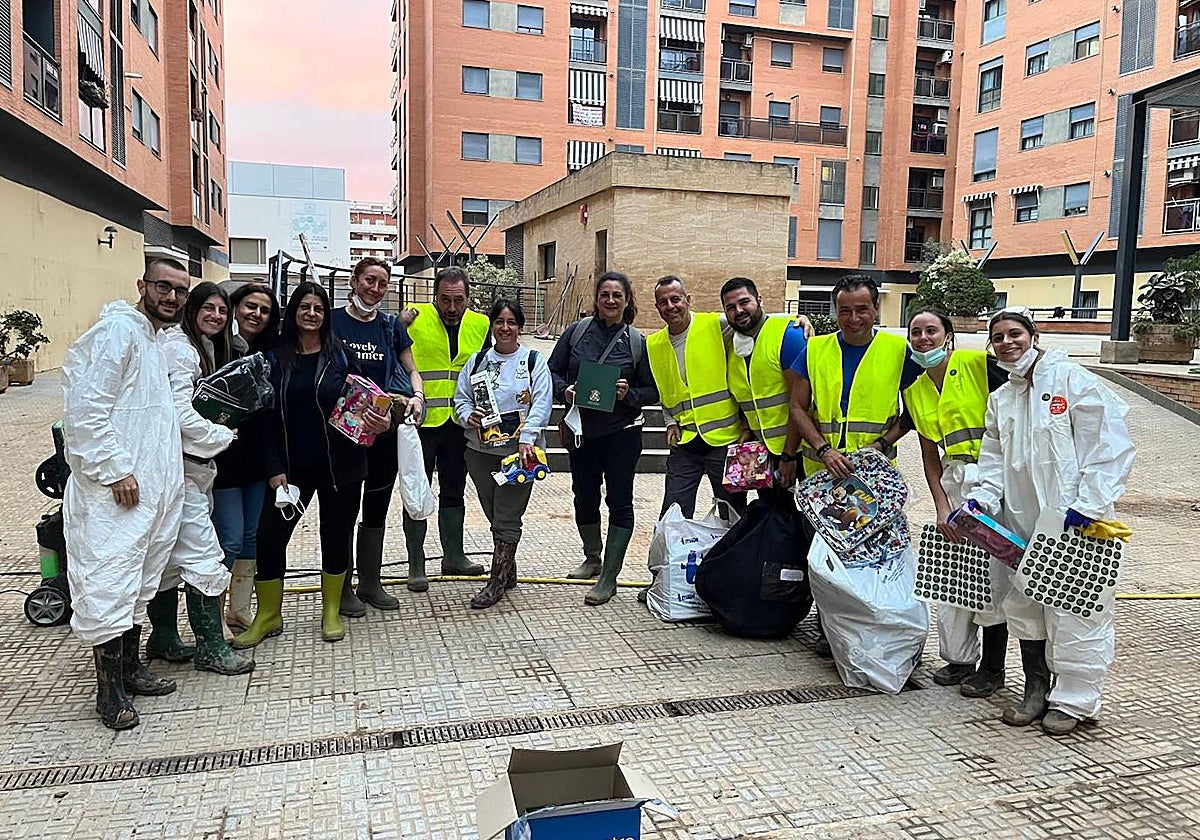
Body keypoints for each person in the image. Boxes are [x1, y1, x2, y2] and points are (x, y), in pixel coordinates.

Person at [968, 307, 1134, 735]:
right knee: (1026, 604)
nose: (1008, 342)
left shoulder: (1070, 380)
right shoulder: (1002, 398)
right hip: (1023, 521)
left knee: (1079, 609)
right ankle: (1036, 689)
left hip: (1074, 520)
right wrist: (984, 497)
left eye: (1015, 333)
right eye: (999, 336)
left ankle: (1076, 699)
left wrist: (1092, 502)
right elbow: (993, 457)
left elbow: (1109, 442)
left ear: (1033, 335)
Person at [61, 259, 189, 729]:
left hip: (148, 493)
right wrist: (115, 470)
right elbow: (85, 409)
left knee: (138, 581)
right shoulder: (117, 332)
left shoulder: (154, 339)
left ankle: (132, 669)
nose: (172, 297)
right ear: (142, 286)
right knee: (110, 582)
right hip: (115, 494)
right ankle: (108, 691)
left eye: (180, 290)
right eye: (163, 287)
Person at [232, 282, 390, 648]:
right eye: (305, 307)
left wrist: (379, 421)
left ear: (325, 315)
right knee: (270, 539)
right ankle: (269, 614)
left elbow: (367, 401)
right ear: (293, 311)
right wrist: (274, 469)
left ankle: (331, 609)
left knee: (336, 538)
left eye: (319, 308)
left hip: (342, 466)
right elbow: (265, 418)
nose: (312, 314)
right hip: (291, 470)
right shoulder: (275, 357)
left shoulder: (341, 355)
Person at [789, 275, 922, 656]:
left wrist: (880, 445)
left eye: (861, 309)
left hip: (873, 480)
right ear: (835, 311)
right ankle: (829, 629)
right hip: (822, 477)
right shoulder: (814, 350)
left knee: (873, 555)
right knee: (826, 557)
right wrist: (822, 449)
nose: (853, 318)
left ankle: (871, 629)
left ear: (876, 309)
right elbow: (797, 407)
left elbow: (914, 411)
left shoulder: (899, 352)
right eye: (844, 310)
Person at [146, 282, 254, 676]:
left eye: (222, 311)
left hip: (187, 469)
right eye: (208, 308)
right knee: (205, 558)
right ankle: (211, 648)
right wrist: (221, 436)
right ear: (192, 310)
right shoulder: (180, 349)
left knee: (168, 558)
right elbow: (180, 413)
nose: (216, 316)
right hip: (178, 471)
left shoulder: (200, 347)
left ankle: (163, 637)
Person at [903, 308, 1009, 697]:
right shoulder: (914, 391)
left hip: (993, 481)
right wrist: (941, 506)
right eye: (916, 332)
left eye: (932, 331)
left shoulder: (976, 364)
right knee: (952, 578)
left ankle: (992, 668)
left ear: (948, 335)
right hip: (954, 480)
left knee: (991, 578)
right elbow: (930, 455)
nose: (923, 339)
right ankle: (959, 658)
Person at [549, 271, 658, 605]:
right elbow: (550, 371)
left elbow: (652, 390)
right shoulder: (577, 332)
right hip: (582, 431)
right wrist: (564, 390)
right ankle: (592, 557)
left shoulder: (638, 342)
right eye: (605, 295)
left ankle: (609, 576)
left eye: (617, 296)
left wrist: (629, 396)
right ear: (596, 300)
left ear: (627, 302)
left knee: (620, 501)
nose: (610, 301)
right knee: (583, 495)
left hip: (622, 435)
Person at [331, 257, 424, 615]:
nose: (375, 289)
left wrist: (417, 396)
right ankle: (340, 588)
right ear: (354, 281)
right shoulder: (334, 322)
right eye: (369, 280)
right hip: (344, 434)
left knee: (376, 507)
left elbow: (411, 369)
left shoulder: (389, 326)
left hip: (383, 432)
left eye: (382, 284)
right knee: (342, 511)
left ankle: (370, 582)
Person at [453, 299, 553, 609]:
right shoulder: (478, 360)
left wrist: (528, 436)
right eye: (500, 322)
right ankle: (509, 570)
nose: (505, 328)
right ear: (492, 326)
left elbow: (542, 402)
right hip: (480, 451)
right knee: (494, 512)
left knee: (508, 515)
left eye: (511, 322)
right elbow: (461, 398)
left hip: (519, 454)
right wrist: (467, 414)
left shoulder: (534, 361)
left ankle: (496, 581)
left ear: (520, 327)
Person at [404, 266, 490, 590]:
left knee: (454, 490)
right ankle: (416, 564)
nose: (452, 308)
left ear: (468, 297)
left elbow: (487, 369)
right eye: (445, 300)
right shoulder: (413, 318)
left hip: (461, 425)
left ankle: (453, 556)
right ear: (434, 296)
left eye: (458, 300)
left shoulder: (481, 325)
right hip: (421, 423)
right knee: (417, 492)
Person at [648, 276, 748, 519]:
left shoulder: (715, 324)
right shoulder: (654, 344)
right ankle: (674, 557)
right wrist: (669, 421)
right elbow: (667, 391)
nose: (670, 306)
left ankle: (731, 557)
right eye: (663, 302)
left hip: (725, 441)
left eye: (676, 299)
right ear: (657, 308)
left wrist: (796, 320)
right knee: (673, 515)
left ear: (688, 300)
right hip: (685, 443)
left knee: (732, 514)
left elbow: (756, 320)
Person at [214, 282, 281, 632]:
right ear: (235, 308)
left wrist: (274, 467)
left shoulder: (270, 354)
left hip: (256, 461)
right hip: (221, 461)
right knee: (230, 537)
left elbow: (268, 416)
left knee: (251, 537)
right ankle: (211, 617)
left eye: (264, 310)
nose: (256, 314)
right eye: (250, 306)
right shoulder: (216, 349)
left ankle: (238, 609)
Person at [720, 277, 809, 496]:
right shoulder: (732, 347)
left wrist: (788, 456)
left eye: (744, 302)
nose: (738, 311)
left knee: (812, 519)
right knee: (777, 521)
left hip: (800, 449)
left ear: (759, 300)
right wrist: (748, 430)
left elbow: (801, 404)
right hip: (764, 451)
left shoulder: (789, 335)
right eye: (730, 307)